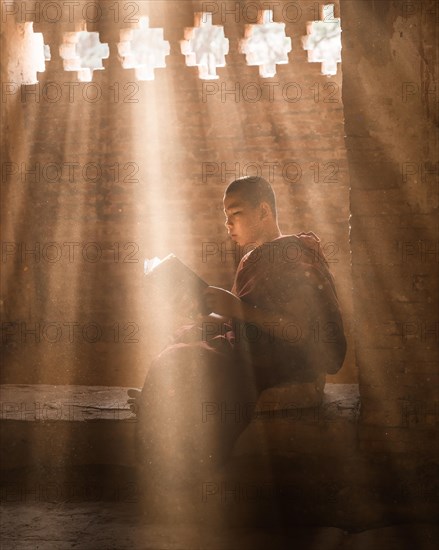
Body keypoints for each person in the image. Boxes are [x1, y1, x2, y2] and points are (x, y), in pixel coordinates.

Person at [129, 176, 346, 488]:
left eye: (236, 214)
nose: (228, 225)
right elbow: (243, 324)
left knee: (182, 360)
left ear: (262, 212)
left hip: (287, 357)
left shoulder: (293, 255)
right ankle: (160, 403)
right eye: (225, 217)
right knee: (183, 339)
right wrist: (210, 315)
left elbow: (302, 331)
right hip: (252, 347)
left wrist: (237, 310)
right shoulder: (252, 259)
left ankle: (179, 470)